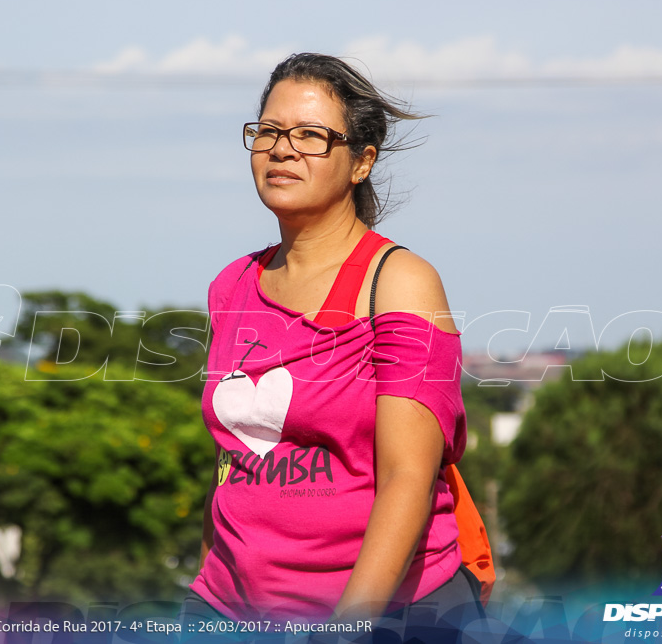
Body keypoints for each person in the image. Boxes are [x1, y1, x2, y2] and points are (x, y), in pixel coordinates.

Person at [185, 53, 482, 631]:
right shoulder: (232, 285)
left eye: (311, 136)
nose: (282, 148)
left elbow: (407, 479)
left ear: (361, 162)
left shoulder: (399, 282)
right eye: (268, 132)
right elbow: (232, 462)